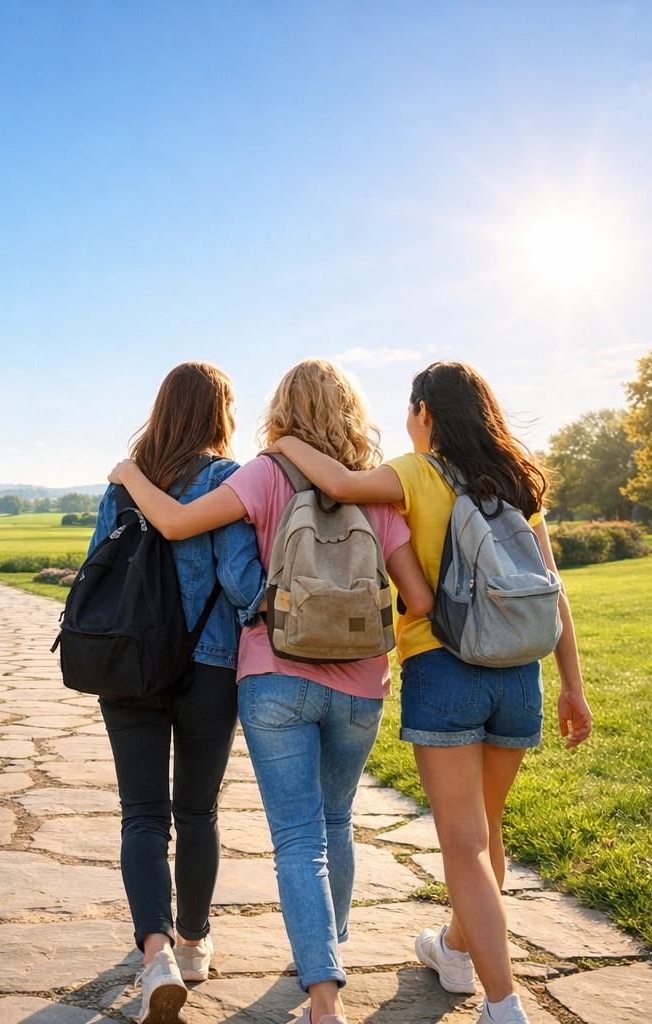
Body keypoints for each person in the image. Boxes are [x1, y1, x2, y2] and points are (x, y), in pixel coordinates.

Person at [266, 361, 595, 1024]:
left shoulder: (419, 472)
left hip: (445, 670)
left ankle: (504, 1004)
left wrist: (284, 442)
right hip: (519, 677)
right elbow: (552, 589)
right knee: (486, 833)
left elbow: (335, 481)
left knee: (464, 843)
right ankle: (453, 948)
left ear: (424, 415)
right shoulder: (517, 480)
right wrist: (573, 687)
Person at [111, 359, 435, 1024]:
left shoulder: (261, 475)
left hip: (275, 675)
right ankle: (326, 960)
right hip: (361, 684)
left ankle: (319, 988)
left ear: (282, 409)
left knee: (295, 837)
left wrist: (127, 474)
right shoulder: (380, 490)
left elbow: (182, 532)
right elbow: (419, 597)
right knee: (334, 822)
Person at [87, 362, 263, 1024]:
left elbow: (98, 566)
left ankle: (154, 952)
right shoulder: (228, 482)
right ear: (220, 412)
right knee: (196, 813)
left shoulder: (125, 482)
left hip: (127, 666)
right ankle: (193, 944)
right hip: (208, 667)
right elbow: (242, 582)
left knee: (141, 815)